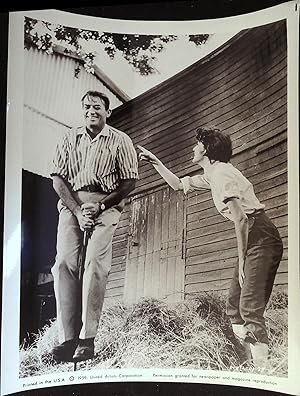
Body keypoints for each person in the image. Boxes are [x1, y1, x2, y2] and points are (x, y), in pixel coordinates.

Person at [138, 126, 283, 369]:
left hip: (261, 235)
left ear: (207, 150)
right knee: (233, 306)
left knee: (248, 307)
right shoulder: (212, 174)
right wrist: (155, 161)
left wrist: (241, 260)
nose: (193, 148)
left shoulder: (222, 174)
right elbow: (177, 185)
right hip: (255, 234)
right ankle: (247, 362)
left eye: (197, 145)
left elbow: (242, 219)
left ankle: (265, 371)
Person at [50, 90, 138, 362]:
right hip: (72, 203)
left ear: (107, 112)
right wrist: (77, 210)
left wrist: (99, 207)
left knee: (95, 265)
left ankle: (87, 339)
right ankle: (68, 339)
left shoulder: (121, 140)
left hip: (106, 203)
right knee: (64, 262)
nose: (92, 111)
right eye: (87, 106)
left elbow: (129, 181)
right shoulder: (68, 138)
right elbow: (58, 179)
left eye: (97, 107)